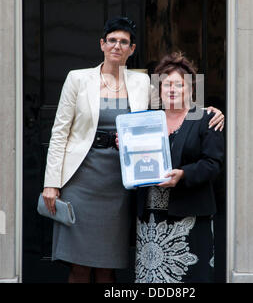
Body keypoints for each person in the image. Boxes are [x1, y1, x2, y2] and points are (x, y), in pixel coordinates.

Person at [42, 16, 224, 283]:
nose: (117, 45)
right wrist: (51, 183)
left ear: (132, 49)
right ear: (102, 44)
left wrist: (211, 111)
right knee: (78, 265)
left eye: (124, 41)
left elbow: (176, 102)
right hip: (81, 179)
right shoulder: (78, 79)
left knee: (107, 265)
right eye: (112, 40)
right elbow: (59, 133)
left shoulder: (142, 84)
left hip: (120, 181)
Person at [135, 52, 224, 283]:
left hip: (190, 216)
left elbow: (213, 164)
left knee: (192, 278)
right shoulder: (147, 120)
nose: (172, 90)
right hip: (152, 218)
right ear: (159, 89)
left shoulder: (206, 118)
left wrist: (184, 174)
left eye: (178, 85)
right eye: (166, 85)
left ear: (191, 89)